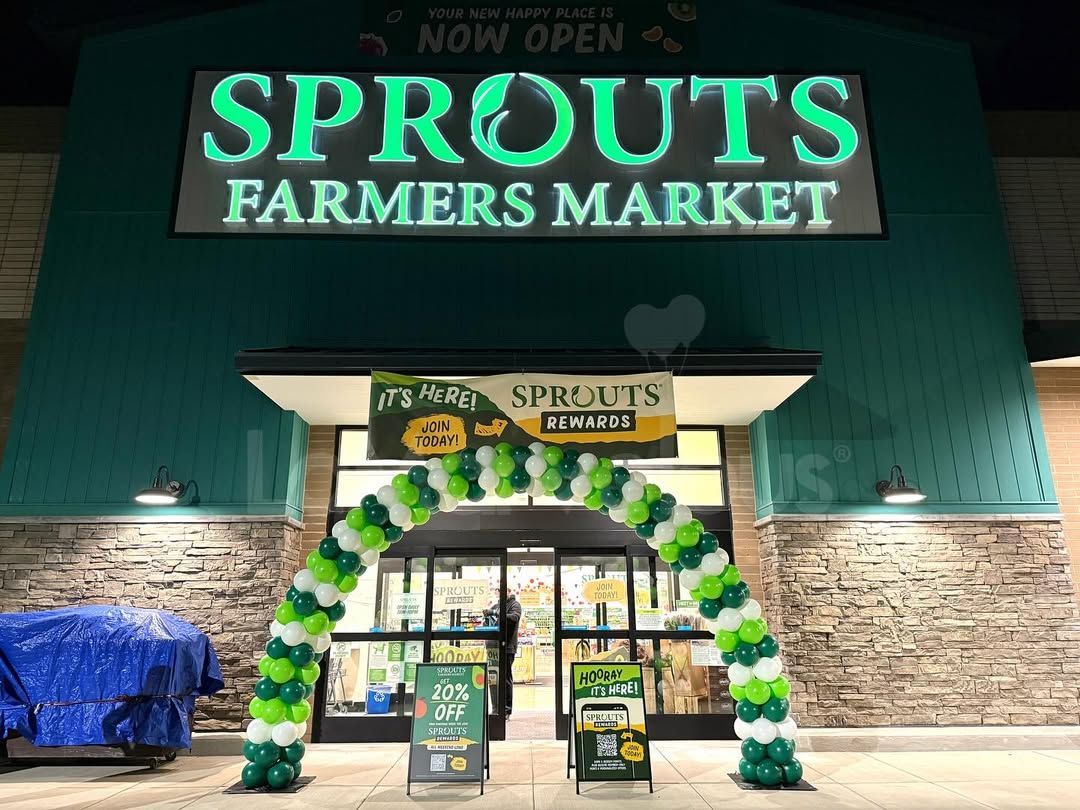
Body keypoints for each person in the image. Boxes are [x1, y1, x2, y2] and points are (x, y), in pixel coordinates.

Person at [485, 591, 522, 717]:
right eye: (499, 591)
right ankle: (496, 708)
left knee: (505, 678)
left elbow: (514, 618)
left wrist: (495, 613)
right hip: (493, 647)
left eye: (503, 590)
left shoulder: (515, 604)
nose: (500, 593)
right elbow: (488, 624)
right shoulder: (496, 605)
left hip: (507, 646)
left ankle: (506, 710)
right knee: (493, 678)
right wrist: (486, 616)